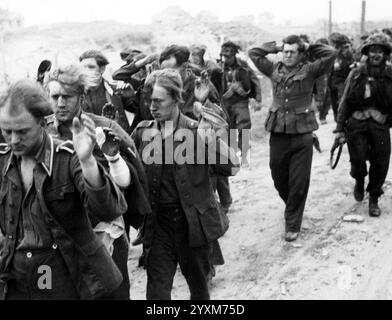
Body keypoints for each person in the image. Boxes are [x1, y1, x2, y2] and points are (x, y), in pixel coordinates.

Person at [0, 79, 127, 299]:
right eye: (6, 131)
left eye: (22, 131)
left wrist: (87, 162)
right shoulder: (2, 163)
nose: (13, 140)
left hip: (71, 273)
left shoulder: (67, 158)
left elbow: (109, 209)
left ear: (42, 122)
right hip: (18, 276)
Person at [43, 64, 152, 299]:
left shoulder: (104, 128)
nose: (60, 103)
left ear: (81, 97)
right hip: (60, 239)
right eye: (55, 97)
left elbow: (126, 182)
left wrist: (110, 156)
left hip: (106, 232)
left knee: (115, 294)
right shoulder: (41, 134)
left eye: (67, 97)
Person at [131, 68, 239, 300]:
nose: (152, 107)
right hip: (158, 226)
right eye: (150, 101)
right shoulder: (143, 133)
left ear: (176, 99)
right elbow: (128, 173)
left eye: (159, 101)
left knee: (199, 290)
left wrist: (209, 140)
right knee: (157, 294)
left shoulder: (196, 129)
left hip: (193, 226)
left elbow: (233, 165)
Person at [249, 35, 336, 241]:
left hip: (303, 133)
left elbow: (331, 54)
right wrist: (276, 46)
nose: (288, 55)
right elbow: (253, 52)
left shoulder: (311, 69)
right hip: (278, 131)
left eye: (292, 52)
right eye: (285, 51)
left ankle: (292, 222)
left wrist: (307, 46)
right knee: (277, 175)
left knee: (299, 181)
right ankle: (293, 207)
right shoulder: (273, 69)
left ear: (300, 53)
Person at [334, 33, 392, 217]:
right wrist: (339, 128)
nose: (376, 55)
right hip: (357, 123)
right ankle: (359, 180)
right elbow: (344, 101)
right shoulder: (356, 72)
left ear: (385, 55)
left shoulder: (390, 74)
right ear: (367, 52)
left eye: (380, 52)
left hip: (380, 124)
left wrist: (387, 118)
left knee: (381, 162)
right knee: (357, 160)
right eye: (373, 51)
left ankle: (374, 197)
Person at [79, 49, 136, 134]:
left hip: (119, 141)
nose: (86, 71)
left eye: (91, 67)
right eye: (83, 68)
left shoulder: (116, 89)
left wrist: (132, 96)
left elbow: (138, 111)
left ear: (102, 69)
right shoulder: (75, 94)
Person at [328, 33, 355, 121]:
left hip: (342, 81)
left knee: (342, 102)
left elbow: (351, 64)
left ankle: (341, 122)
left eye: (331, 43)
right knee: (334, 102)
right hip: (332, 81)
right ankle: (337, 120)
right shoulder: (331, 52)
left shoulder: (346, 50)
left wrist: (341, 63)